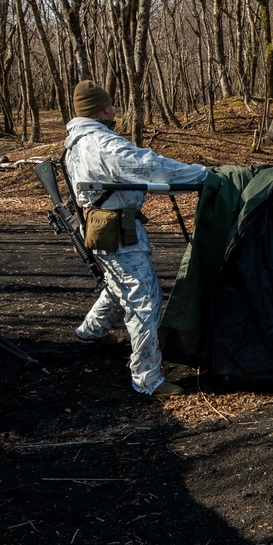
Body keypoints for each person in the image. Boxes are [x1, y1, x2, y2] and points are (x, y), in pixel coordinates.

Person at [64, 80, 208, 397]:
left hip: (102, 226)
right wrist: (202, 175)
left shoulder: (77, 141)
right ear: (104, 108)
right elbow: (147, 167)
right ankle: (147, 377)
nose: (114, 109)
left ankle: (92, 330)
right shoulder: (102, 144)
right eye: (111, 104)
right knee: (143, 298)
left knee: (120, 284)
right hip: (115, 230)